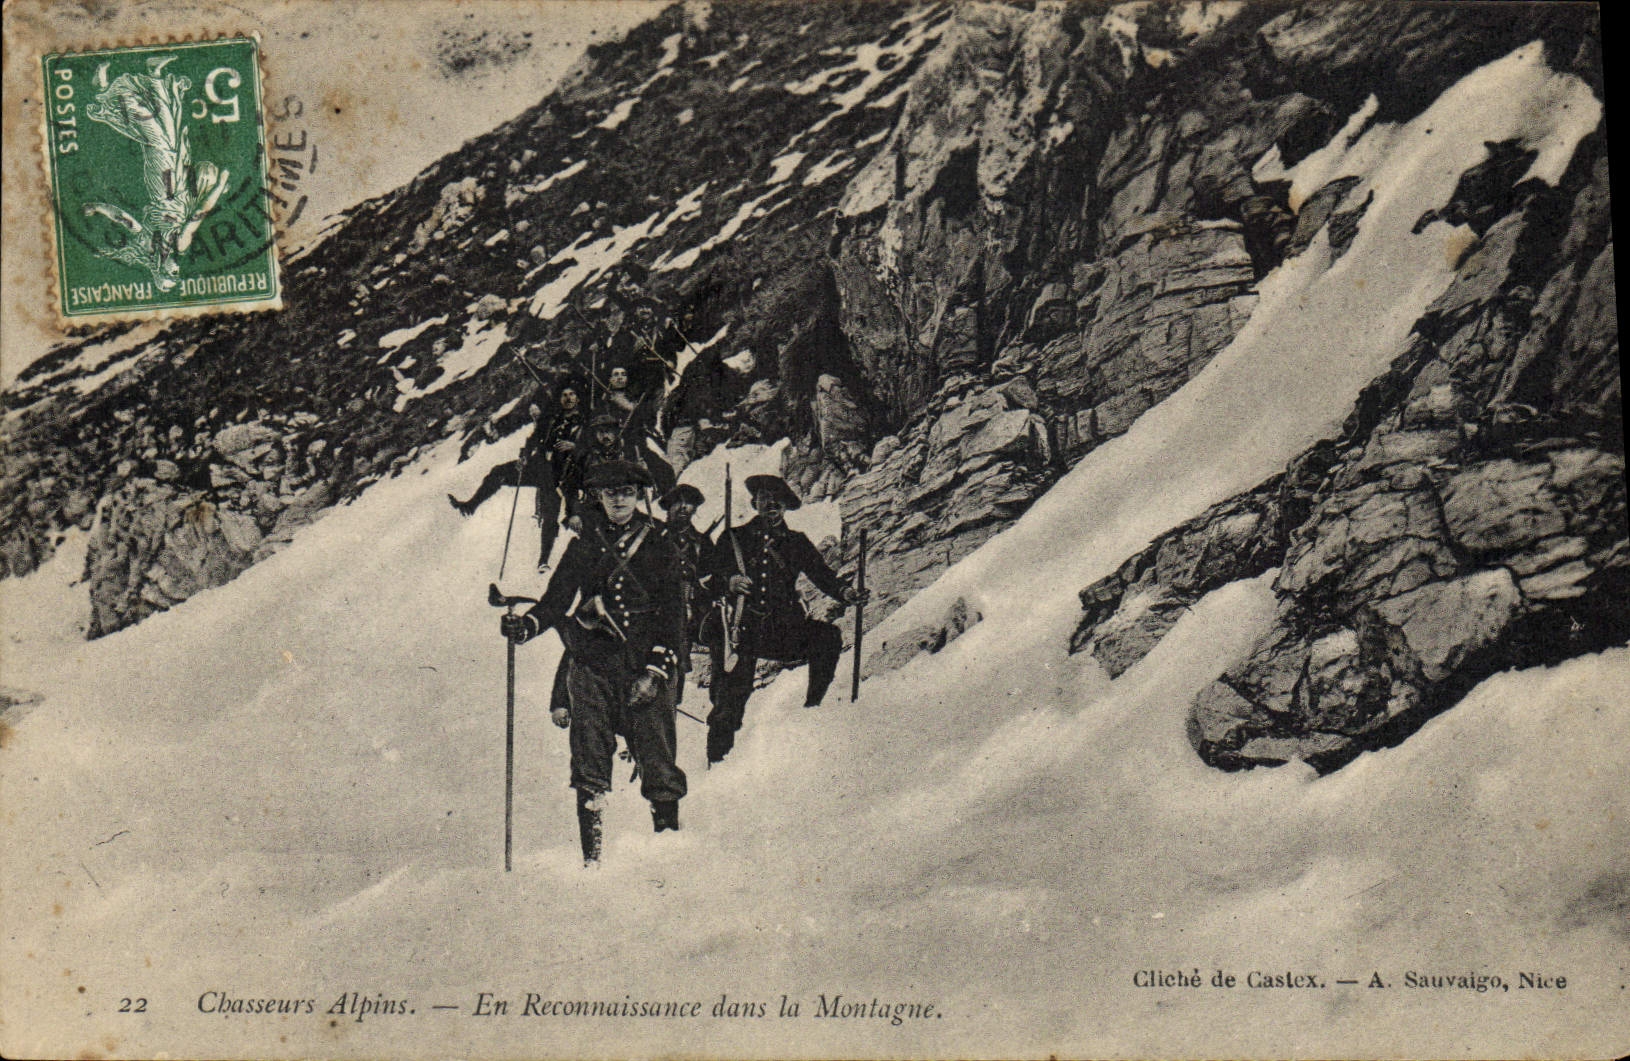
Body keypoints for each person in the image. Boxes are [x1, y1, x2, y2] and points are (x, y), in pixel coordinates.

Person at [501, 460, 687, 864]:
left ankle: (668, 850)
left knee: (657, 757)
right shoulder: (584, 545)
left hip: (645, 663)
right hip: (592, 663)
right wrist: (527, 625)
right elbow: (556, 600)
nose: (618, 500)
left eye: (627, 492)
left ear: (639, 496)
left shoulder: (660, 544)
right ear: (598, 497)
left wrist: (655, 671)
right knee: (589, 757)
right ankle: (593, 857)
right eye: (609, 493)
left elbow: (674, 614)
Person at [704, 474, 867, 764]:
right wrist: (729, 582)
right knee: (729, 700)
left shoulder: (796, 542)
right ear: (754, 503)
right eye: (765, 498)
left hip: (783, 630)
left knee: (827, 637)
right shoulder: (733, 539)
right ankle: (717, 763)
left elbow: (822, 575)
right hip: (742, 631)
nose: (771, 504)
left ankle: (812, 710)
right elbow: (709, 580)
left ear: (786, 507)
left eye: (778, 500)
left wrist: (845, 593)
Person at [656, 483, 715, 704]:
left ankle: (672, 706)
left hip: (689, 613)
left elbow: (712, 581)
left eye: (689, 503)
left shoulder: (702, 543)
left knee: (677, 661)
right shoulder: (653, 538)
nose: (683, 507)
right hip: (655, 609)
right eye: (677, 502)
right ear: (668, 507)